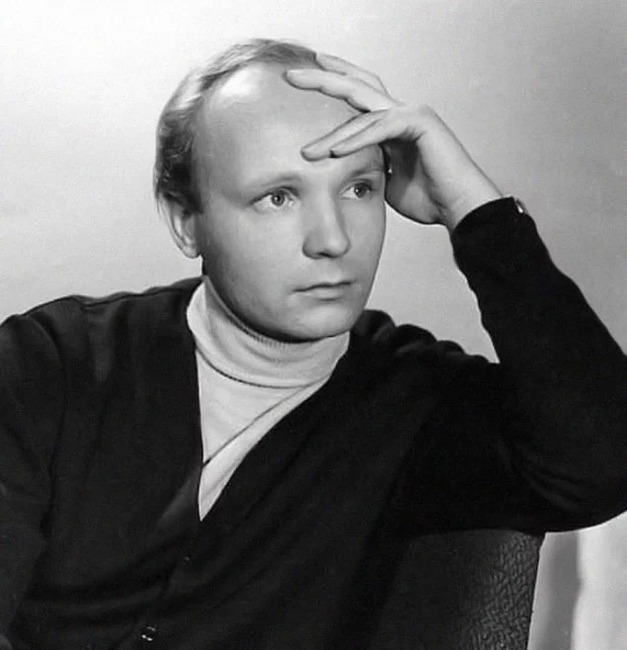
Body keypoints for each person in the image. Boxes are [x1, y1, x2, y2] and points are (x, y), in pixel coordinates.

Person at [0, 38, 625, 649]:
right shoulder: (49, 362)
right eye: (278, 197)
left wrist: (473, 208)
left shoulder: (417, 402)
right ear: (186, 220)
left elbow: (604, 466)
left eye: (359, 190)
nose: (332, 240)